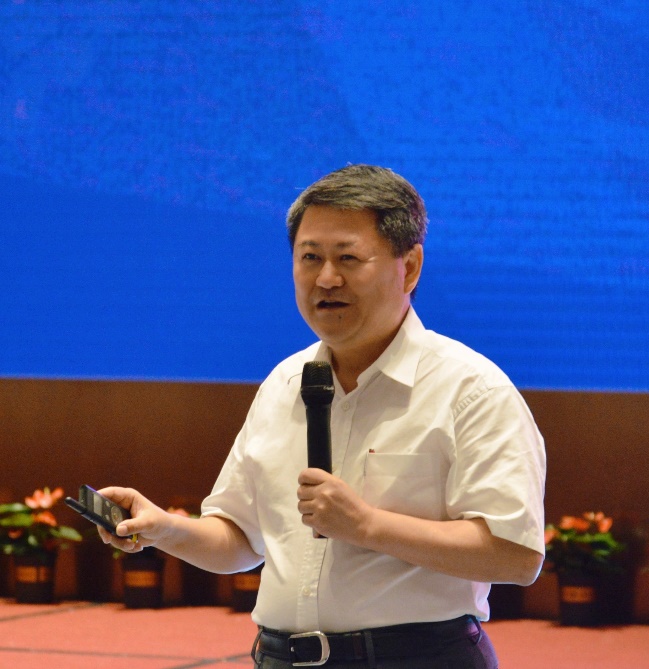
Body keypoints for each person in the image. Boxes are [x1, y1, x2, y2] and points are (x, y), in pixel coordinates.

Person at [99, 164, 546, 668]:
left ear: (410, 267)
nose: (326, 278)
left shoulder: (471, 390)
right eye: (310, 257)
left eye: (348, 258)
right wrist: (163, 528)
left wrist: (368, 525)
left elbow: (516, 555)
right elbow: (239, 540)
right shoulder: (284, 383)